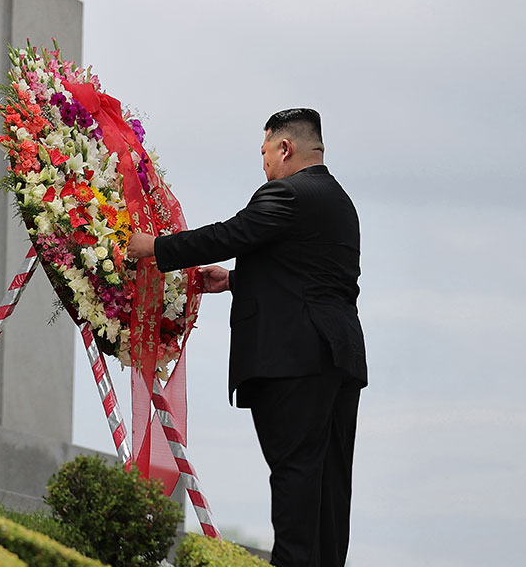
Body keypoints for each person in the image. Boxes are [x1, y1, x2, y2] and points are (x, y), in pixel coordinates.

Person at [127, 108, 366, 567]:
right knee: (329, 489)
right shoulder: (338, 200)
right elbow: (308, 273)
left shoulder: (289, 193)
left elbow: (233, 233)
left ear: (285, 147)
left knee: (295, 480)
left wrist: (155, 248)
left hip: (294, 359)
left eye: (264, 153)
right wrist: (237, 281)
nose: (263, 165)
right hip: (338, 359)